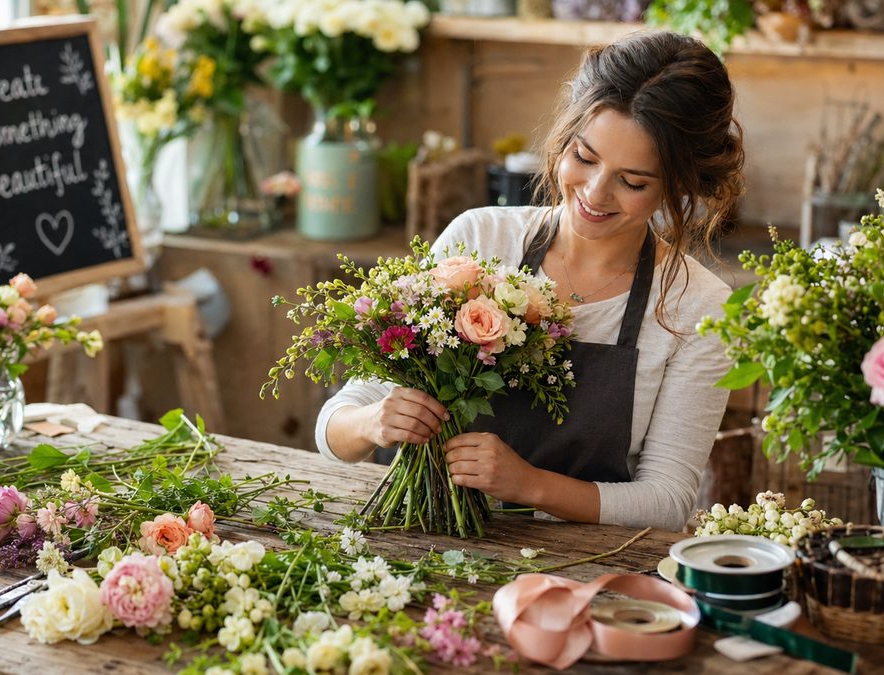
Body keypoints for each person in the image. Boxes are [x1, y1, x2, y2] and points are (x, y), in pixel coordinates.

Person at [315, 31, 743, 531]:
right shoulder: (479, 238)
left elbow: (668, 501)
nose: (595, 193)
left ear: (680, 184)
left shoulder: (698, 307)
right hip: (424, 543)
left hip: (584, 569)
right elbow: (335, 426)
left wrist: (528, 485)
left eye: (633, 181)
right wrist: (372, 422)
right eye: (584, 157)